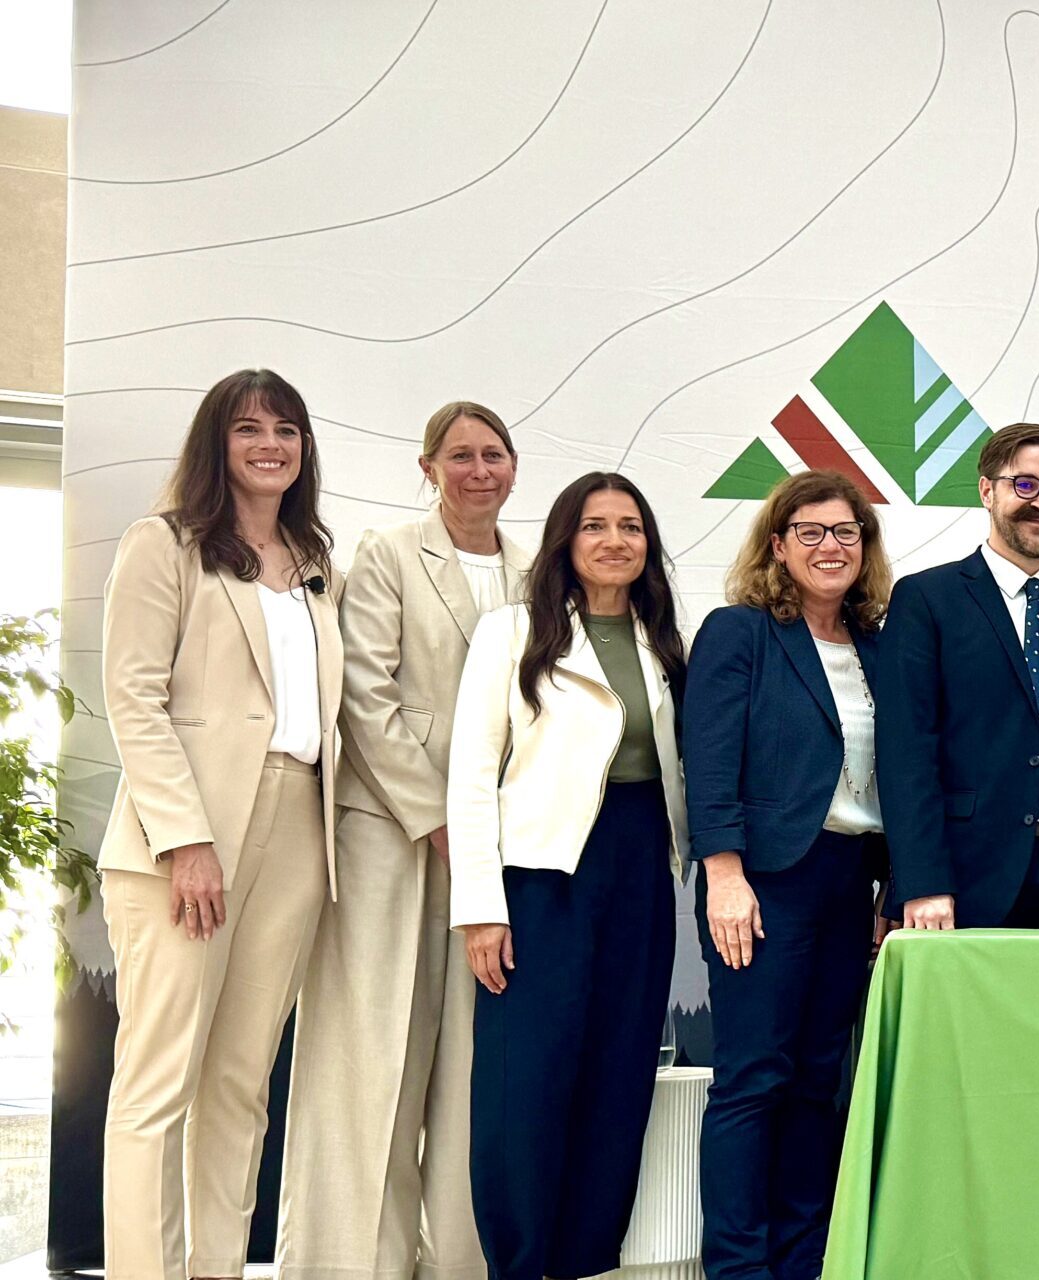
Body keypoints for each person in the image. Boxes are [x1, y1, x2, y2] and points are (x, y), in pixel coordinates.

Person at [98, 369, 343, 1280]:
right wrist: (184, 839)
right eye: (249, 429)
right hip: (184, 838)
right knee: (159, 1084)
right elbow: (134, 694)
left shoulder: (316, 561)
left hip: (294, 831)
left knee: (240, 1086)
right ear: (218, 442)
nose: (270, 444)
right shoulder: (163, 543)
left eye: (287, 428)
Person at [280, 401, 528, 1280]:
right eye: (458, 456)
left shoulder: (539, 574)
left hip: (496, 855)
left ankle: (463, 1260)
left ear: (513, 467)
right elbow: (367, 699)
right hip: (390, 836)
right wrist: (440, 820)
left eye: (493, 455)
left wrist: (488, 832)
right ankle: (352, 1263)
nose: (477, 471)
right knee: (371, 1059)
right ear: (428, 468)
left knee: (471, 1071)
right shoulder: (385, 556)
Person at [447, 473, 690, 1280]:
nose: (614, 540)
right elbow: (473, 774)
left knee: (619, 1070)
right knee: (529, 1077)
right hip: (543, 876)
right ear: (566, 540)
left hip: (639, 866)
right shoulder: (513, 632)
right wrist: (483, 907)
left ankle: (588, 1259)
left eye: (630, 525)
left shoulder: (666, 644)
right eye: (595, 525)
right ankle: (518, 1261)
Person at [682, 471, 894, 1280]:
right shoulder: (741, 632)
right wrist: (725, 877)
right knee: (752, 1081)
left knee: (817, 1083)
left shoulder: (878, 644)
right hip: (766, 882)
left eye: (846, 532)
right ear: (778, 545)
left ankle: (803, 1262)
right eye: (810, 532)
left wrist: (888, 886)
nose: (830, 547)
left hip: (849, 882)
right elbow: (710, 761)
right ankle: (738, 1269)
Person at [880, 423, 1039, 928]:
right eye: (1025, 485)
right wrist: (923, 881)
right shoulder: (928, 600)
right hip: (971, 877)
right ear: (986, 490)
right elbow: (905, 753)